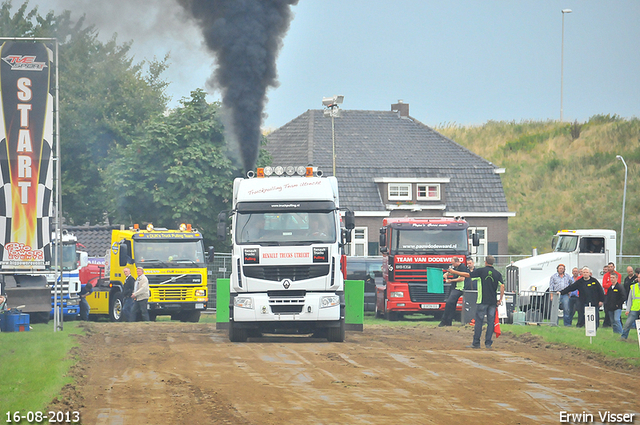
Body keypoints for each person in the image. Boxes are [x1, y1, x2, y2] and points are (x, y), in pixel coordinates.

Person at [448, 255, 504, 349]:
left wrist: (454, 272)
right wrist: (500, 299)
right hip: (492, 302)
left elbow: (467, 275)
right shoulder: (497, 273)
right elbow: (502, 286)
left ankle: (476, 343)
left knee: (479, 321)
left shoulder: (481, 271)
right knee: (491, 322)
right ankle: (488, 343)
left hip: (482, 300)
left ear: (486, 262)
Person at [439, 257, 468, 327]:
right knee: (452, 304)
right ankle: (448, 322)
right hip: (454, 287)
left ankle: (444, 321)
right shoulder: (456, 267)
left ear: (457, 261)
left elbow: (462, 278)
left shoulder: (463, 268)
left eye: (453, 263)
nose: (452, 265)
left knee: (449, 302)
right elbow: (446, 274)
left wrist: (451, 280)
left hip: (460, 288)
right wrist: (446, 276)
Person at [602, 263, 621, 327]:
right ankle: (607, 323)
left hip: (615, 294)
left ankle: (618, 323)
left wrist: (609, 284)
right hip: (607, 294)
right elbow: (604, 285)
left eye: (611, 267)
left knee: (616, 309)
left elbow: (617, 284)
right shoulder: (605, 275)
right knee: (606, 309)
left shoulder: (618, 274)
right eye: (609, 267)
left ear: (614, 267)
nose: (610, 268)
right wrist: (611, 284)